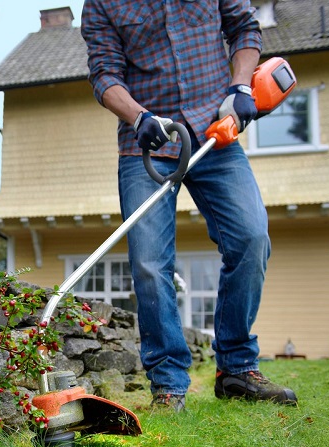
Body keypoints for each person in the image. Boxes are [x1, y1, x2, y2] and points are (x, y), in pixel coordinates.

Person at [81, 0, 297, 411]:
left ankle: (235, 368)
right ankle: (168, 385)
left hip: (218, 131)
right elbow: (105, 73)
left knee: (251, 238)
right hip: (148, 142)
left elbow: (244, 29)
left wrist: (240, 86)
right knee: (149, 263)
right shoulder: (102, 4)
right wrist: (139, 116)